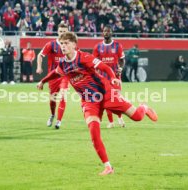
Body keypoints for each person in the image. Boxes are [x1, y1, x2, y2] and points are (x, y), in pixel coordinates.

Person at [37, 32, 158, 175]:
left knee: (137, 117)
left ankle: (143, 107)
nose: (63, 46)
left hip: (105, 94)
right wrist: (42, 81)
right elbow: (55, 73)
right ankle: (108, 166)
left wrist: (113, 78)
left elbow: (104, 67)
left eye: (66, 43)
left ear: (74, 45)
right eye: (61, 44)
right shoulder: (63, 64)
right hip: (89, 101)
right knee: (94, 132)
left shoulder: (84, 58)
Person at [36, 23, 69, 129]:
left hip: (65, 76)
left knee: (63, 96)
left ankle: (59, 121)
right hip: (53, 76)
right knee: (53, 99)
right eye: (61, 31)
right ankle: (52, 115)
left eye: (64, 31)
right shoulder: (51, 44)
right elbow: (40, 55)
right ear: (57, 32)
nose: (62, 33)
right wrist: (39, 67)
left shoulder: (70, 45)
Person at [93, 25, 126, 129]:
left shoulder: (117, 45)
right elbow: (94, 61)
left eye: (108, 31)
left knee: (116, 98)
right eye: (104, 31)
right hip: (103, 77)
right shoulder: (98, 47)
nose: (106, 33)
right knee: (107, 100)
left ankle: (120, 117)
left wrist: (120, 68)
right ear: (102, 33)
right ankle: (111, 122)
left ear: (112, 32)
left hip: (115, 76)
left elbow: (122, 59)